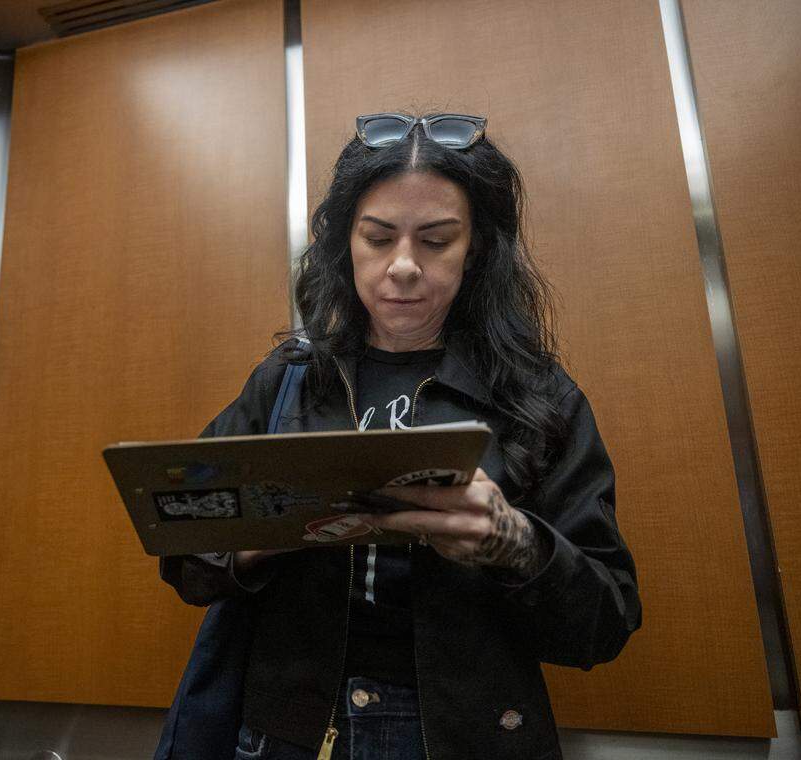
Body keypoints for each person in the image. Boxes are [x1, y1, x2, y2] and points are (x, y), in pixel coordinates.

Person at [158, 111, 642, 760]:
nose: (404, 266)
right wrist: (250, 544)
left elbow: (606, 625)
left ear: (476, 250)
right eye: (378, 237)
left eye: (437, 240)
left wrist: (516, 543)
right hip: (287, 732)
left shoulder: (539, 396)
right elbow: (184, 557)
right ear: (345, 244)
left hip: (461, 736)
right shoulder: (289, 380)